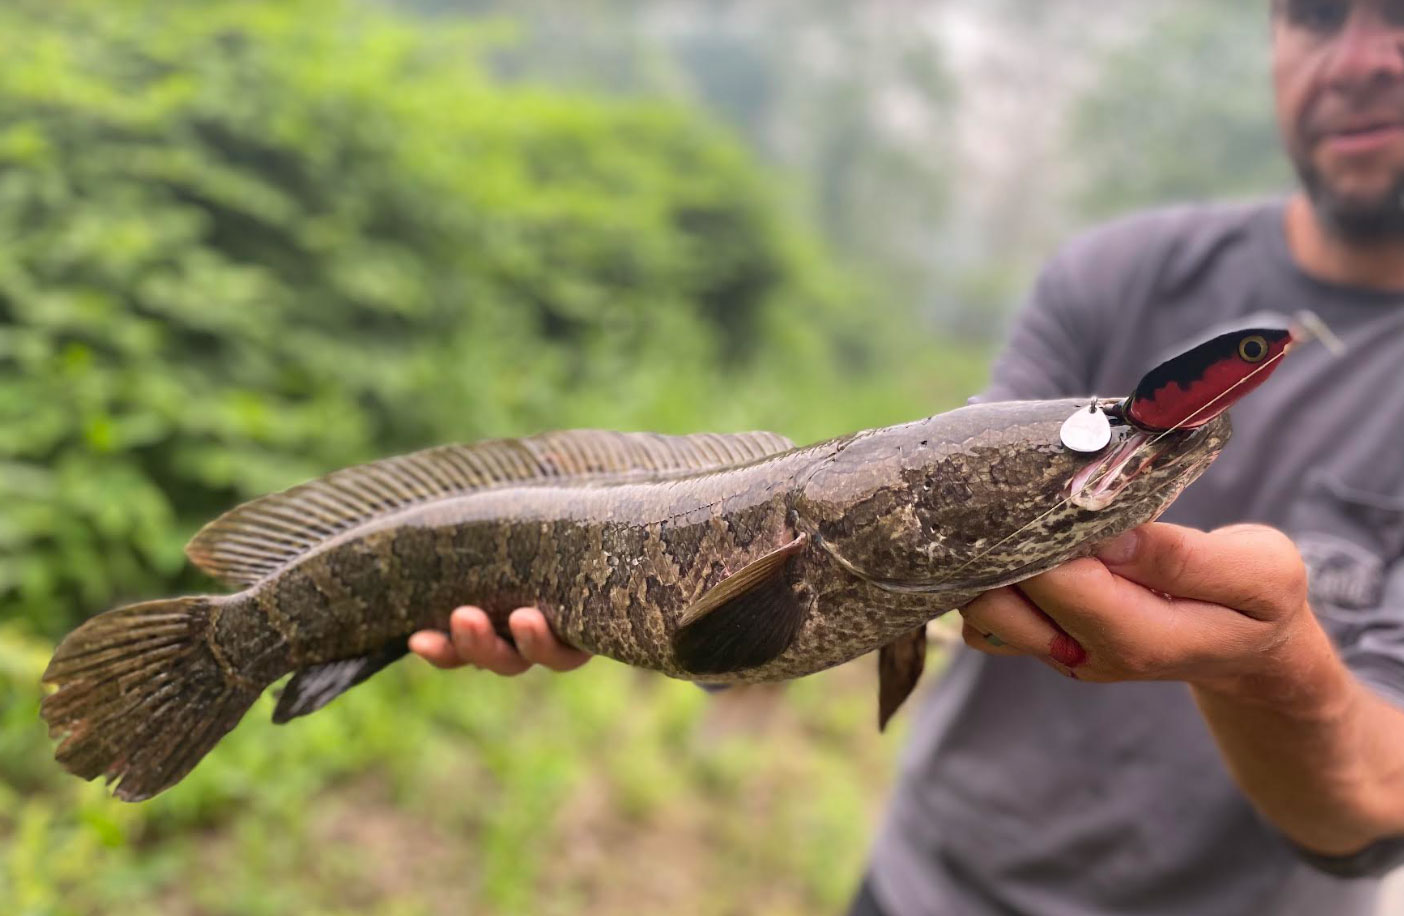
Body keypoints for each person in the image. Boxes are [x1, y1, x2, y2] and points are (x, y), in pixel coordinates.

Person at [409, 2, 1404, 913]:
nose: (1359, 60)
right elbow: (896, 540)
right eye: (1316, 12)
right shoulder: (1116, 268)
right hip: (930, 886)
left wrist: (1276, 674)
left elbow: (1376, 813)